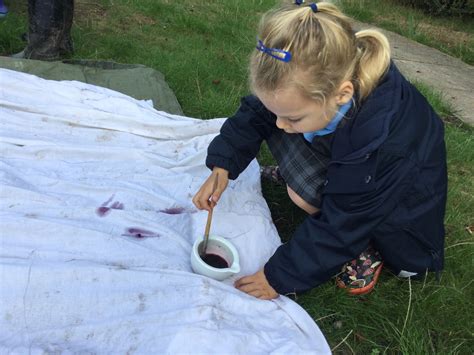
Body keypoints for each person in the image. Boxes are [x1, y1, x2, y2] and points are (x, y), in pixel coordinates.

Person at [192, 1, 447, 299]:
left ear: (342, 94)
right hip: (357, 173)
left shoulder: (381, 145)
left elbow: (340, 227)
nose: (280, 124)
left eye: (293, 117)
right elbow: (256, 114)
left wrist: (278, 276)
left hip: (400, 225)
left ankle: (367, 246)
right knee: (286, 136)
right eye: (278, 112)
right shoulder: (323, 88)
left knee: (304, 195)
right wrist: (223, 163)